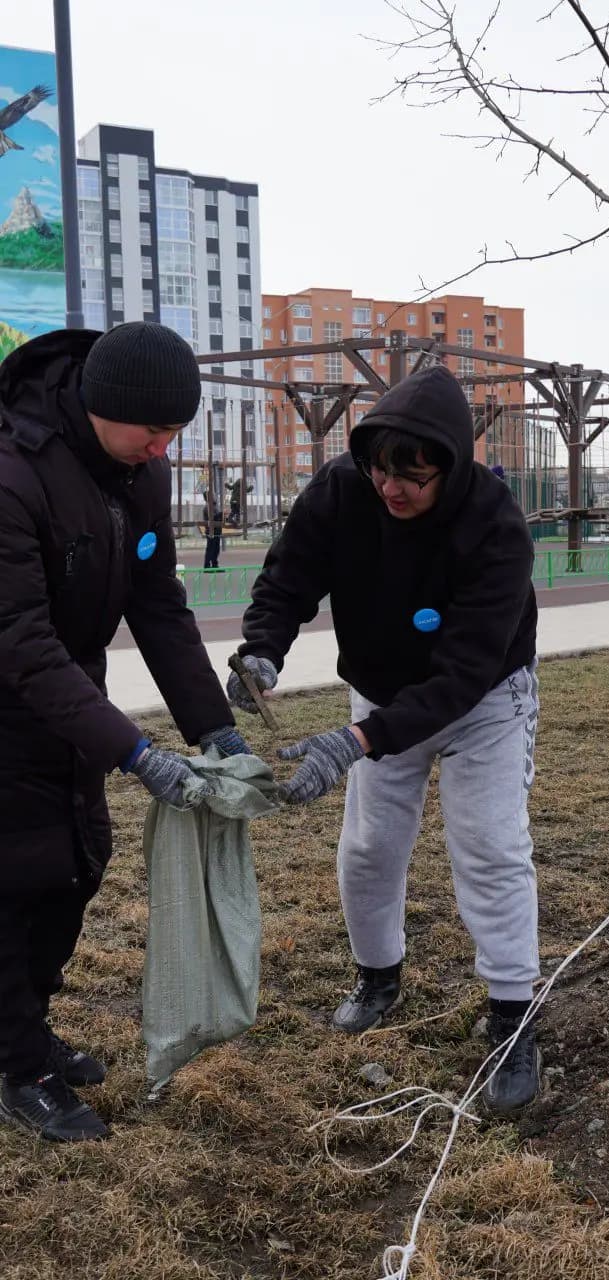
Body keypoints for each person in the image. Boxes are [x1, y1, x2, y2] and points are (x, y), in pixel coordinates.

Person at [227, 364, 541, 1115]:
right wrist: (262, 646)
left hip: (485, 701)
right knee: (369, 846)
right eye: (379, 470)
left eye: (413, 476)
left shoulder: (495, 527)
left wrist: (357, 740)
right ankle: (377, 975)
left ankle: (511, 1016)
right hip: (379, 687)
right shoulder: (343, 491)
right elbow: (288, 577)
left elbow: (464, 673)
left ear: (453, 467)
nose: (391, 490)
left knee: (490, 846)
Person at [0, 322, 250, 1143]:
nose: (164, 446)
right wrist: (135, 752)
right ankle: (21, 1064)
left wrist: (215, 732)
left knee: (77, 866)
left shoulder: (139, 471)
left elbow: (158, 607)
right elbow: (22, 642)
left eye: (176, 430)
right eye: (155, 429)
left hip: (72, 702)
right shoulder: (14, 473)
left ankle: (23, 1028)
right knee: (15, 884)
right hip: (12, 696)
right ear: (103, 405)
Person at [200, 490, 224, 569]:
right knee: (210, 548)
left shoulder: (214, 506)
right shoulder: (207, 507)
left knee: (216, 549)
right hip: (211, 531)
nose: (214, 497)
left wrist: (223, 516)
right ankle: (207, 565)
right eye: (212, 496)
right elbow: (212, 517)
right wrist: (221, 514)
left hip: (217, 530)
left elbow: (217, 517)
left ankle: (214, 564)